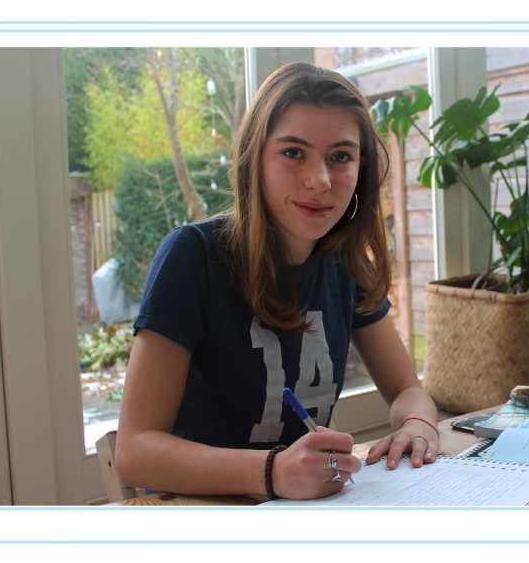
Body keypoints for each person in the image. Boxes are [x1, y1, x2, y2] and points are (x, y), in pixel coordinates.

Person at [115, 62, 442, 501]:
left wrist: (418, 425)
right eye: (293, 152)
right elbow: (134, 451)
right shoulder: (193, 256)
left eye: (340, 157)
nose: (319, 181)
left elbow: (406, 390)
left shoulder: (344, 262)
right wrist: (273, 472)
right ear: (256, 159)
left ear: (360, 167)